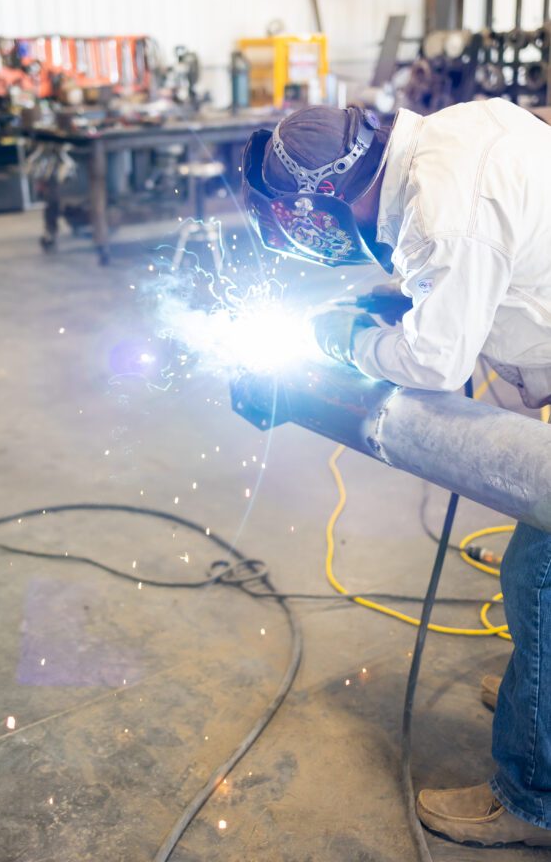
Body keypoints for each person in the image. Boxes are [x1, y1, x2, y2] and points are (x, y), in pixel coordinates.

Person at [242, 98, 551, 848]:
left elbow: (434, 363)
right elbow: (489, 262)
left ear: (327, 199)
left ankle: (533, 794)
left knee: (538, 578)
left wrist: (346, 341)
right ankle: (537, 696)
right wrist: (411, 298)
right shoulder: (449, 133)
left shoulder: (442, 218)